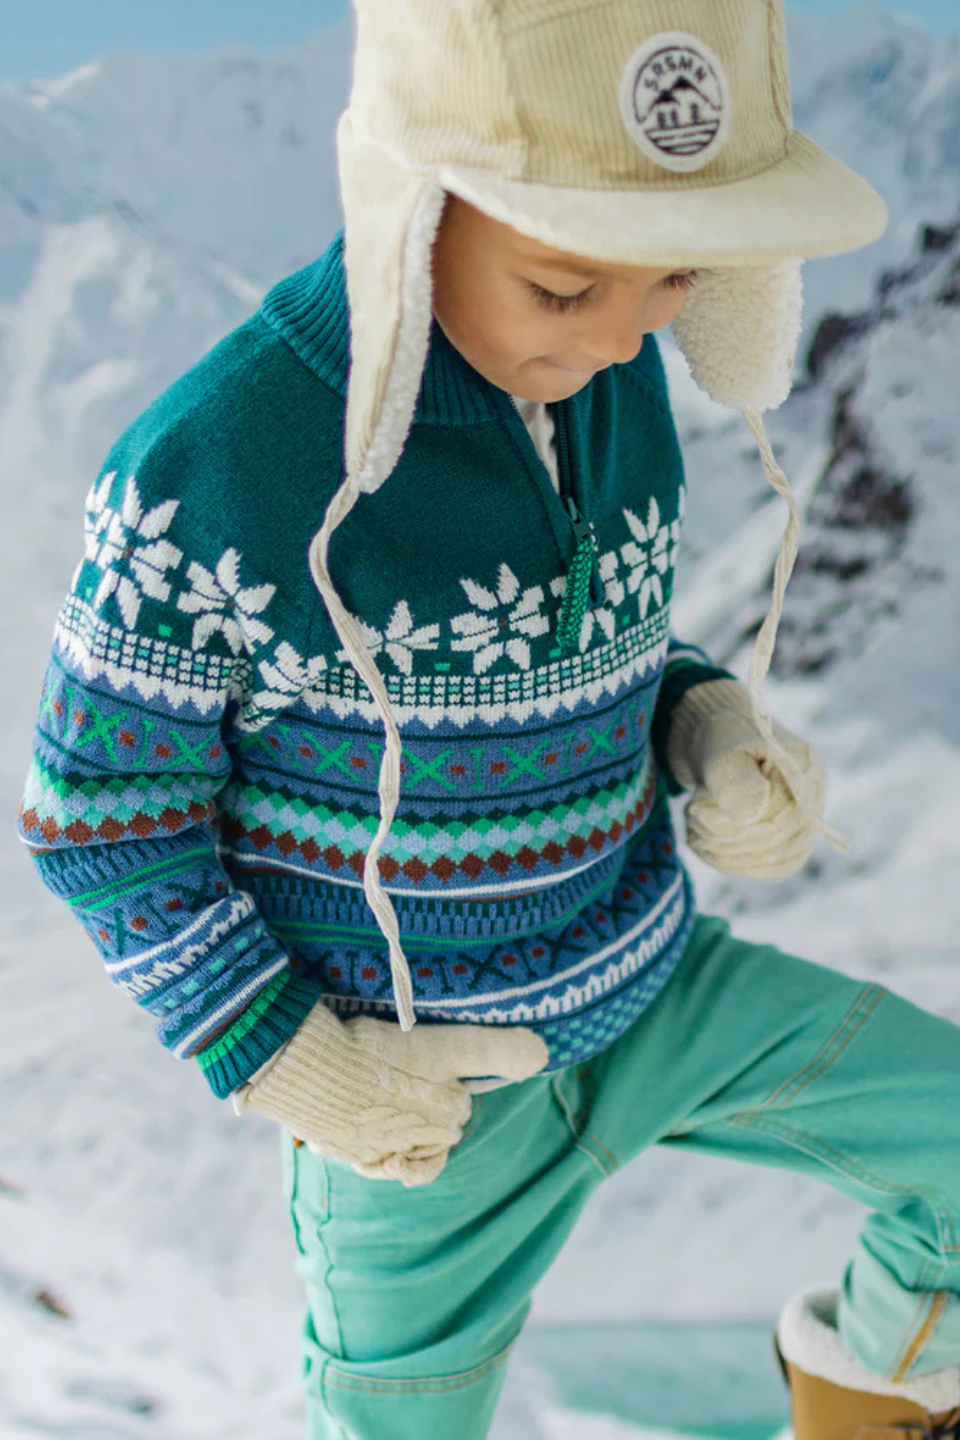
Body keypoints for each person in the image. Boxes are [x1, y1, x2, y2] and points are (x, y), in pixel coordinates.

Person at [16, 2, 960, 1437]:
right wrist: (285, 1056)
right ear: (416, 207)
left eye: (675, 279)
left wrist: (701, 720)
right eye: (564, 287)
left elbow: (591, 642)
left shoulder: (605, 365)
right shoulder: (214, 464)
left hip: (653, 990)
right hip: (421, 1100)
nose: (617, 336)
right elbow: (103, 817)